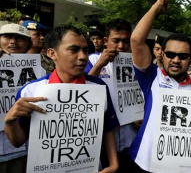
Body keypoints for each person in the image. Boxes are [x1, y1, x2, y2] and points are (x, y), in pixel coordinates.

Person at [4, 25, 119, 173]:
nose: (83, 56)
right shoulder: (31, 91)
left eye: (85, 50)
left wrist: (113, 164)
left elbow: (107, 128)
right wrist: (10, 121)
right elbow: (18, 141)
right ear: (52, 53)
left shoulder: (98, 86)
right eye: (74, 50)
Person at [128, 0, 191, 172]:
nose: (176, 60)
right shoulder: (151, 76)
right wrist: (155, 8)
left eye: (183, 56)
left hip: (179, 166)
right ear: (162, 54)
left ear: (190, 58)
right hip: (144, 162)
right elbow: (136, 40)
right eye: (170, 54)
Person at [85, 19, 139, 173]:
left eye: (125, 41)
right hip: (103, 143)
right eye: (116, 41)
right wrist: (99, 65)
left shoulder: (136, 63)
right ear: (105, 41)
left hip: (131, 140)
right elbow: (84, 90)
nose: (121, 46)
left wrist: (141, 115)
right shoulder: (91, 60)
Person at [0, 23, 33, 173]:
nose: (14, 42)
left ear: (28, 43)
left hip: (29, 148)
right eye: (7, 37)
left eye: (20, 38)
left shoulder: (43, 65)